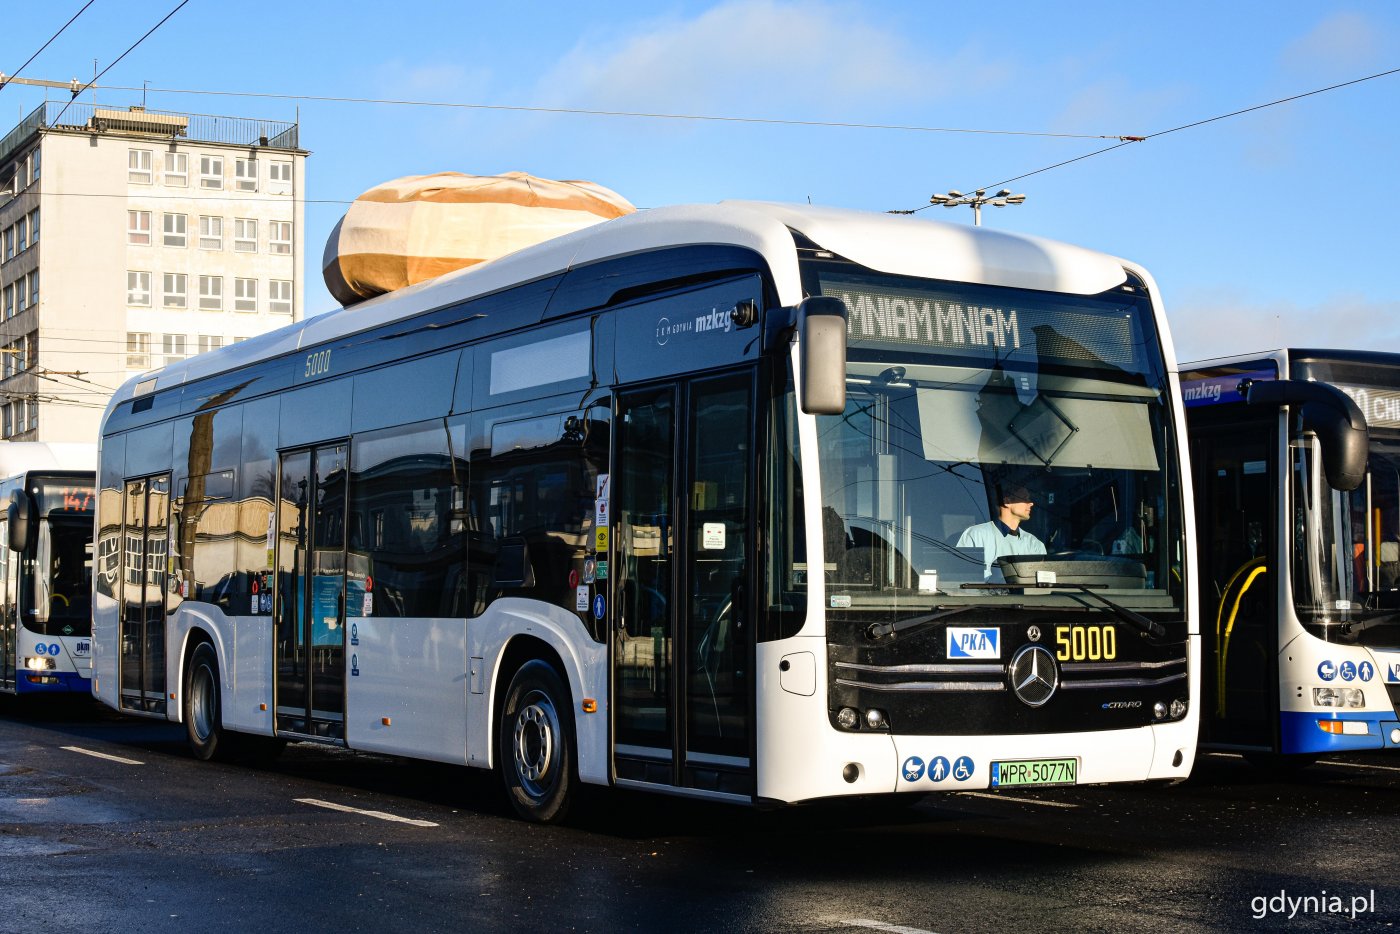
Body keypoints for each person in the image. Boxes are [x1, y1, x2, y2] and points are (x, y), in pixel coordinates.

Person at [957, 484, 1046, 578]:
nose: (1031, 503)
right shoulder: (975, 535)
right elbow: (963, 578)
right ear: (1007, 502)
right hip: (986, 592)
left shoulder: (1035, 544)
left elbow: (1042, 582)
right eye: (1024, 498)